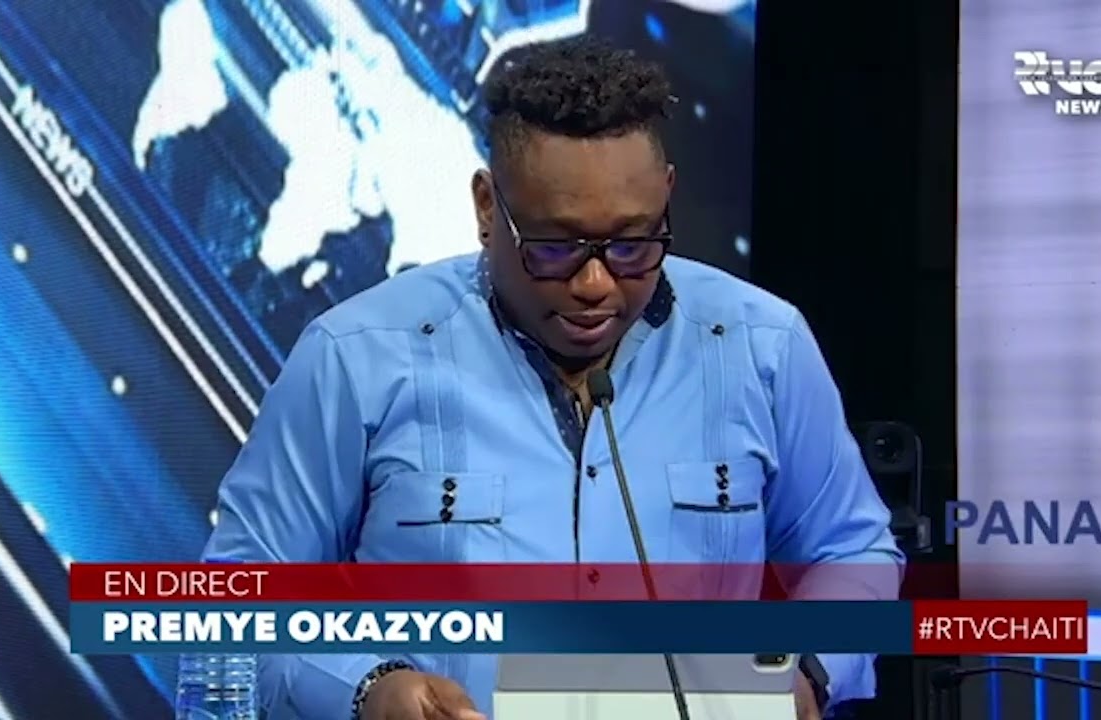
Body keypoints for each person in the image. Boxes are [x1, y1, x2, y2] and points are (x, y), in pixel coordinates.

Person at [204, 35, 903, 720]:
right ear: (487, 208)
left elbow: (852, 549)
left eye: (632, 243)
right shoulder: (355, 357)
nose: (596, 283)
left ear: (667, 197)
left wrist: (811, 671)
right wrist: (368, 688)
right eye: (554, 247)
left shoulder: (762, 347)